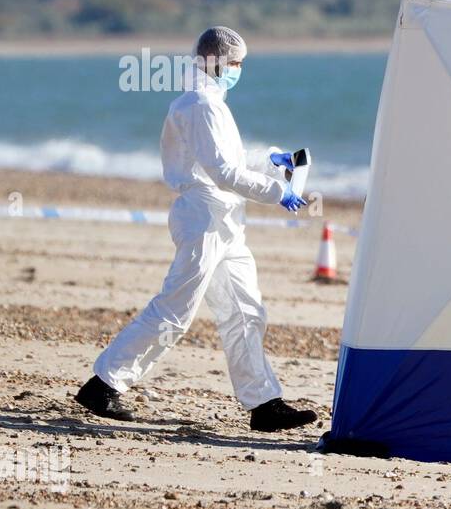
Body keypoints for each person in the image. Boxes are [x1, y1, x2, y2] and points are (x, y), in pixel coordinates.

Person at [74, 27, 318, 431]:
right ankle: (105, 383)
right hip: (204, 217)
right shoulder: (202, 105)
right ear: (218, 62)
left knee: (245, 311)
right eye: (237, 63)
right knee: (176, 309)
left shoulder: (208, 103)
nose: (241, 70)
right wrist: (279, 192)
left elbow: (228, 158)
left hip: (225, 220)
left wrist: (269, 159)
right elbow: (222, 172)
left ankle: (263, 403)